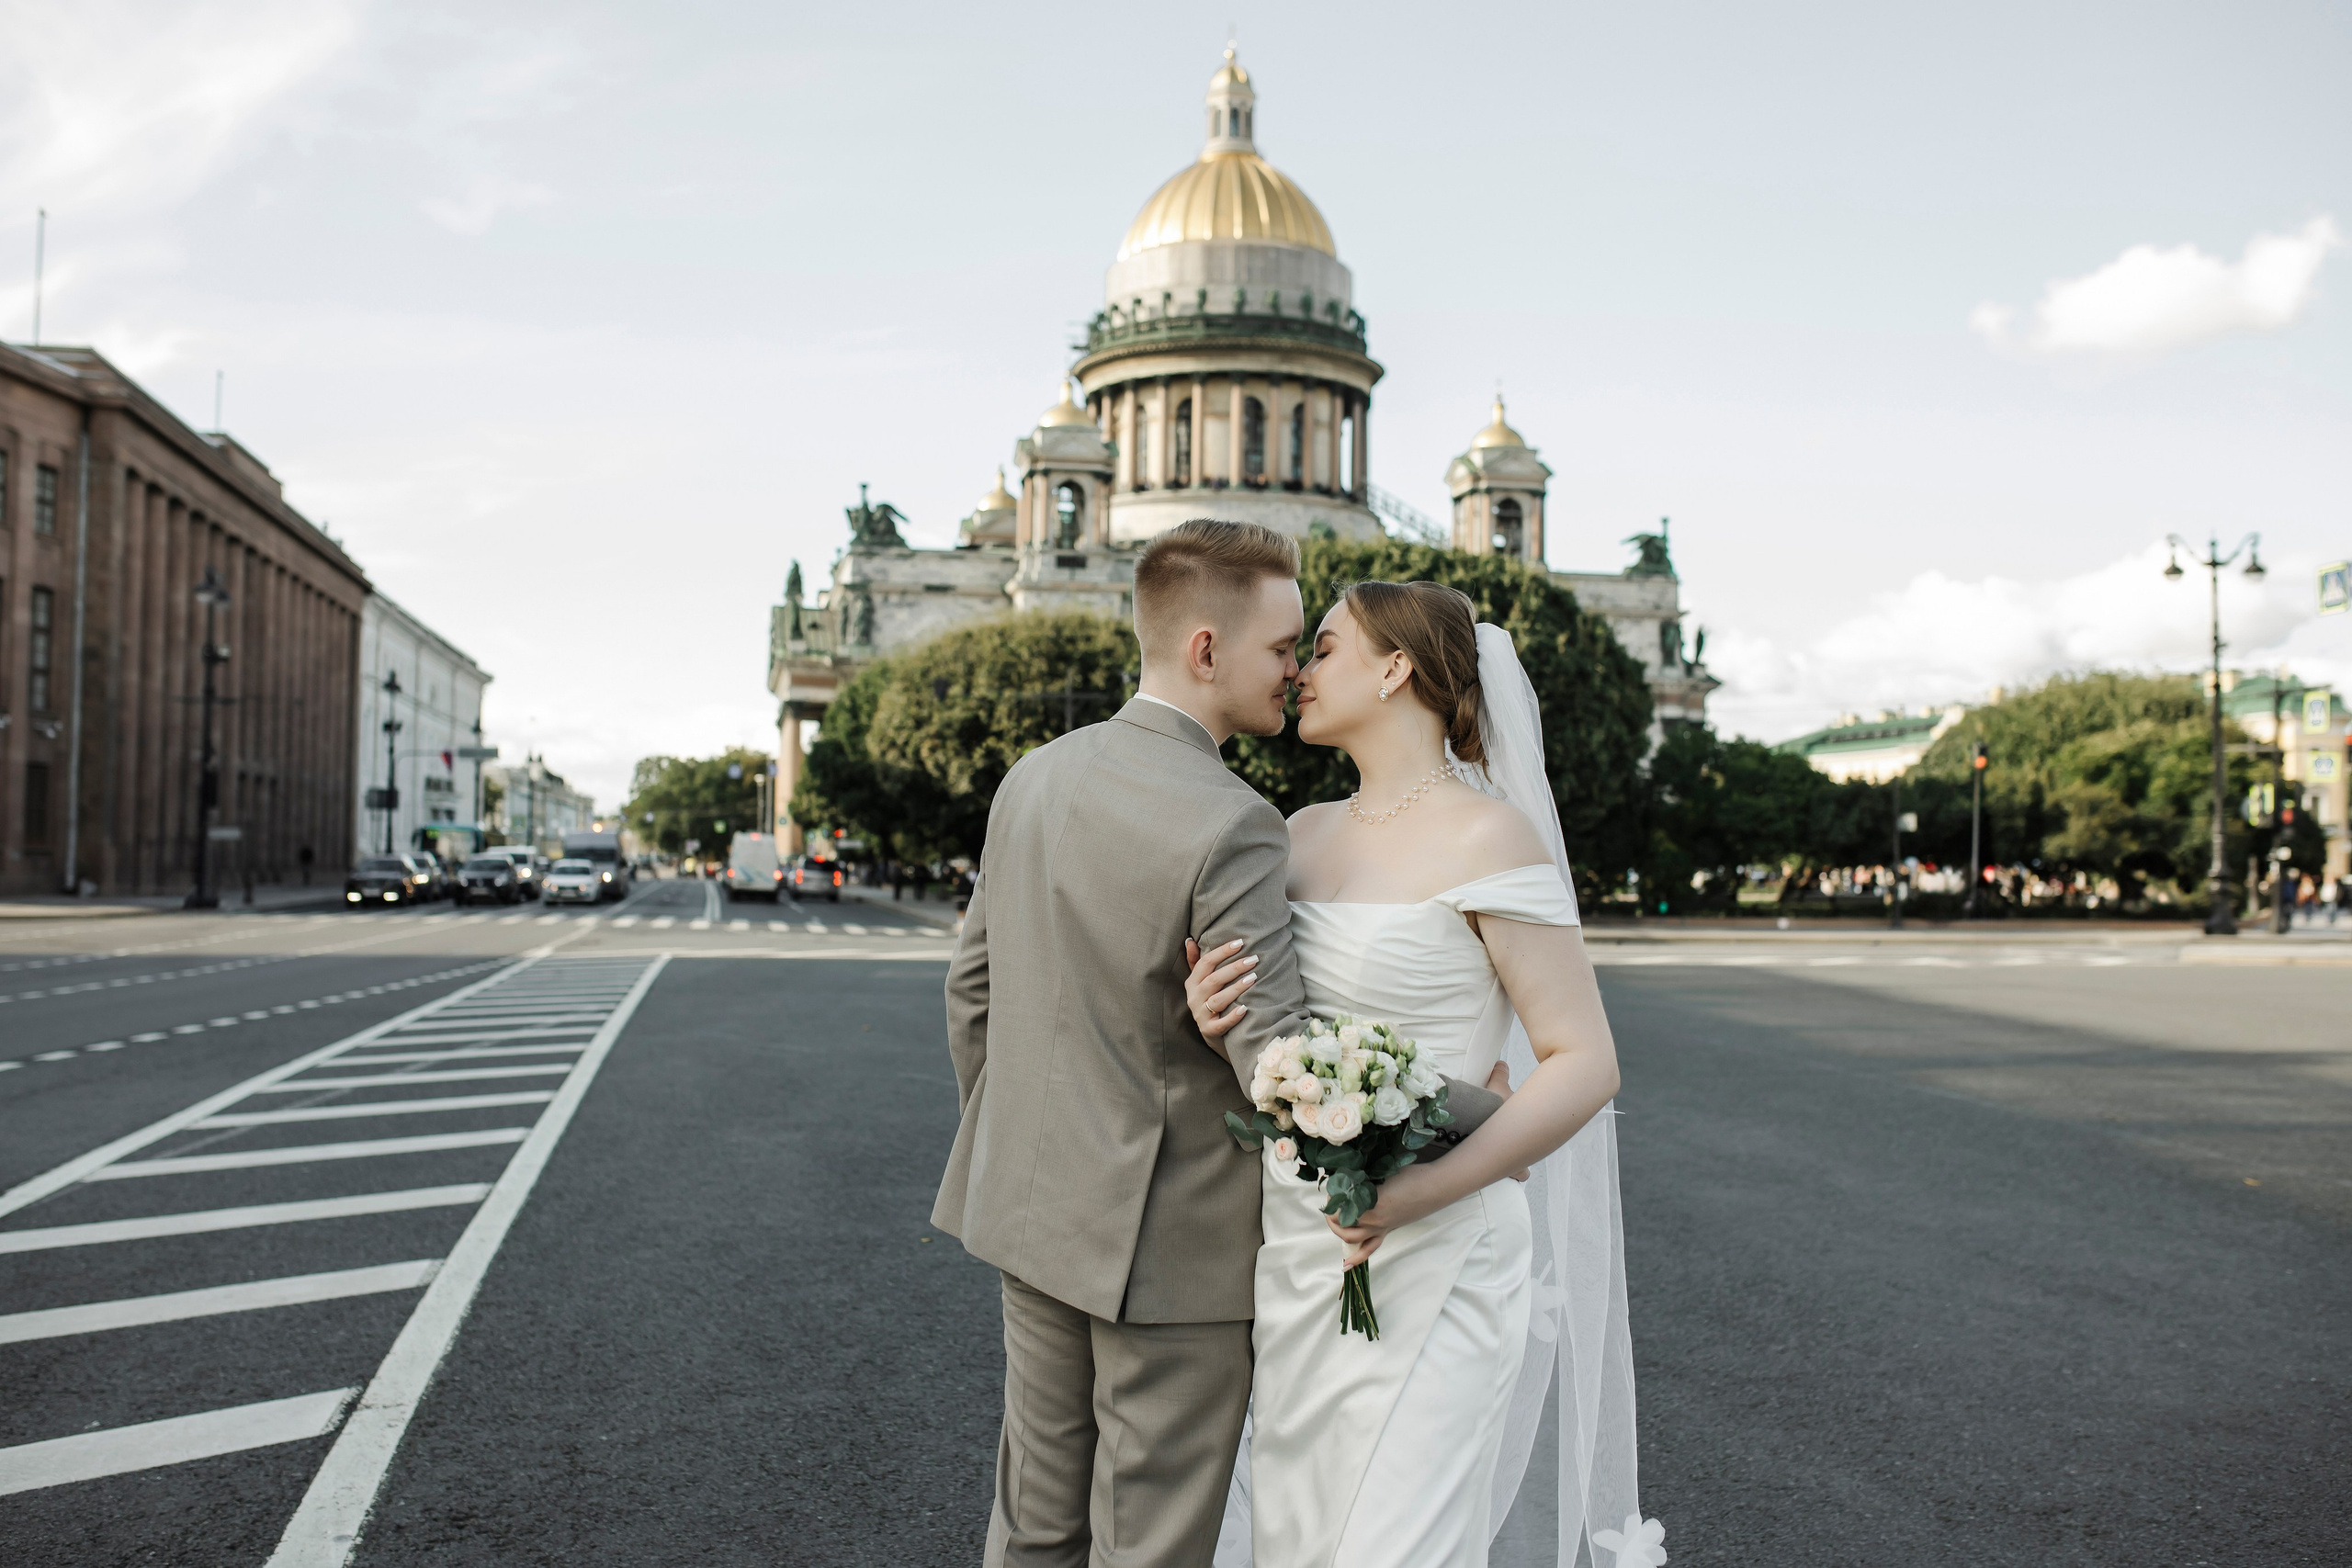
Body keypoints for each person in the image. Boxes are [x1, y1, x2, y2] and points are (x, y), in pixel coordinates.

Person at [933, 523, 1508, 1568]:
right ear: (1206, 649)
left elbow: (973, 989)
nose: (1294, 672)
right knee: (1149, 1541)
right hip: (1172, 1244)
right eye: (1284, 647)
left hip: (1027, 1206)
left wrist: (1021, 1137)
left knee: (1033, 1526)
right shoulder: (1234, 821)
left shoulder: (1034, 776)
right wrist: (1489, 1110)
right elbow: (1277, 1060)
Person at [1185, 581, 1644, 1568]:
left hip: (1440, 1248)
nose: (1299, 671)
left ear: (1396, 668)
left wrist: (1419, 1192)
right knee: (1295, 1538)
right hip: (1300, 1245)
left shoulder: (1489, 836)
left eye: (1325, 647)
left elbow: (1584, 1062)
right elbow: (1278, 1040)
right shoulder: (1296, 833)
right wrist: (1215, 1021)